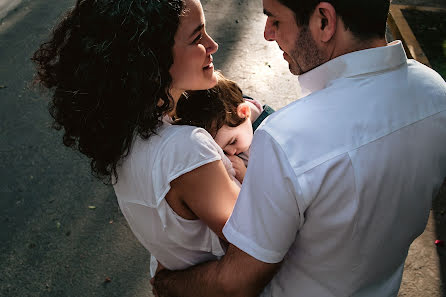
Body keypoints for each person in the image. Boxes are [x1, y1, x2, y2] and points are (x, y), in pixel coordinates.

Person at [153, 0, 446, 296]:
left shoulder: (285, 139)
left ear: (323, 21)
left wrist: (168, 284)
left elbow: (235, 281)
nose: (268, 34)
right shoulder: (436, 94)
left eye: (275, 20)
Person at [32, 0, 241, 280]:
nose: (212, 44)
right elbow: (258, 245)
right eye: (197, 38)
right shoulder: (185, 149)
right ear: (152, 60)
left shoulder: (125, 142)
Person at [176, 71, 275, 183]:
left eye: (233, 142)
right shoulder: (237, 122)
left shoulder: (271, 140)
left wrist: (245, 175)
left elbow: (275, 186)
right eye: (224, 151)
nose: (231, 153)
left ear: (244, 111)